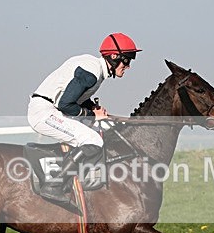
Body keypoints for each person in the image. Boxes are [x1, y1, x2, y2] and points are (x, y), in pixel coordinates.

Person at [27, 32, 141, 205]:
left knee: (102, 131)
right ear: (114, 56)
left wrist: (90, 107)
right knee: (93, 140)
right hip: (44, 113)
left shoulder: (93, 67)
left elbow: (74, 96)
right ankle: (53, 186)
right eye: (127, 60)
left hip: (50, 109)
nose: (128, 66)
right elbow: (65, 104)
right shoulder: (92, 72)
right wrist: (92, 115)